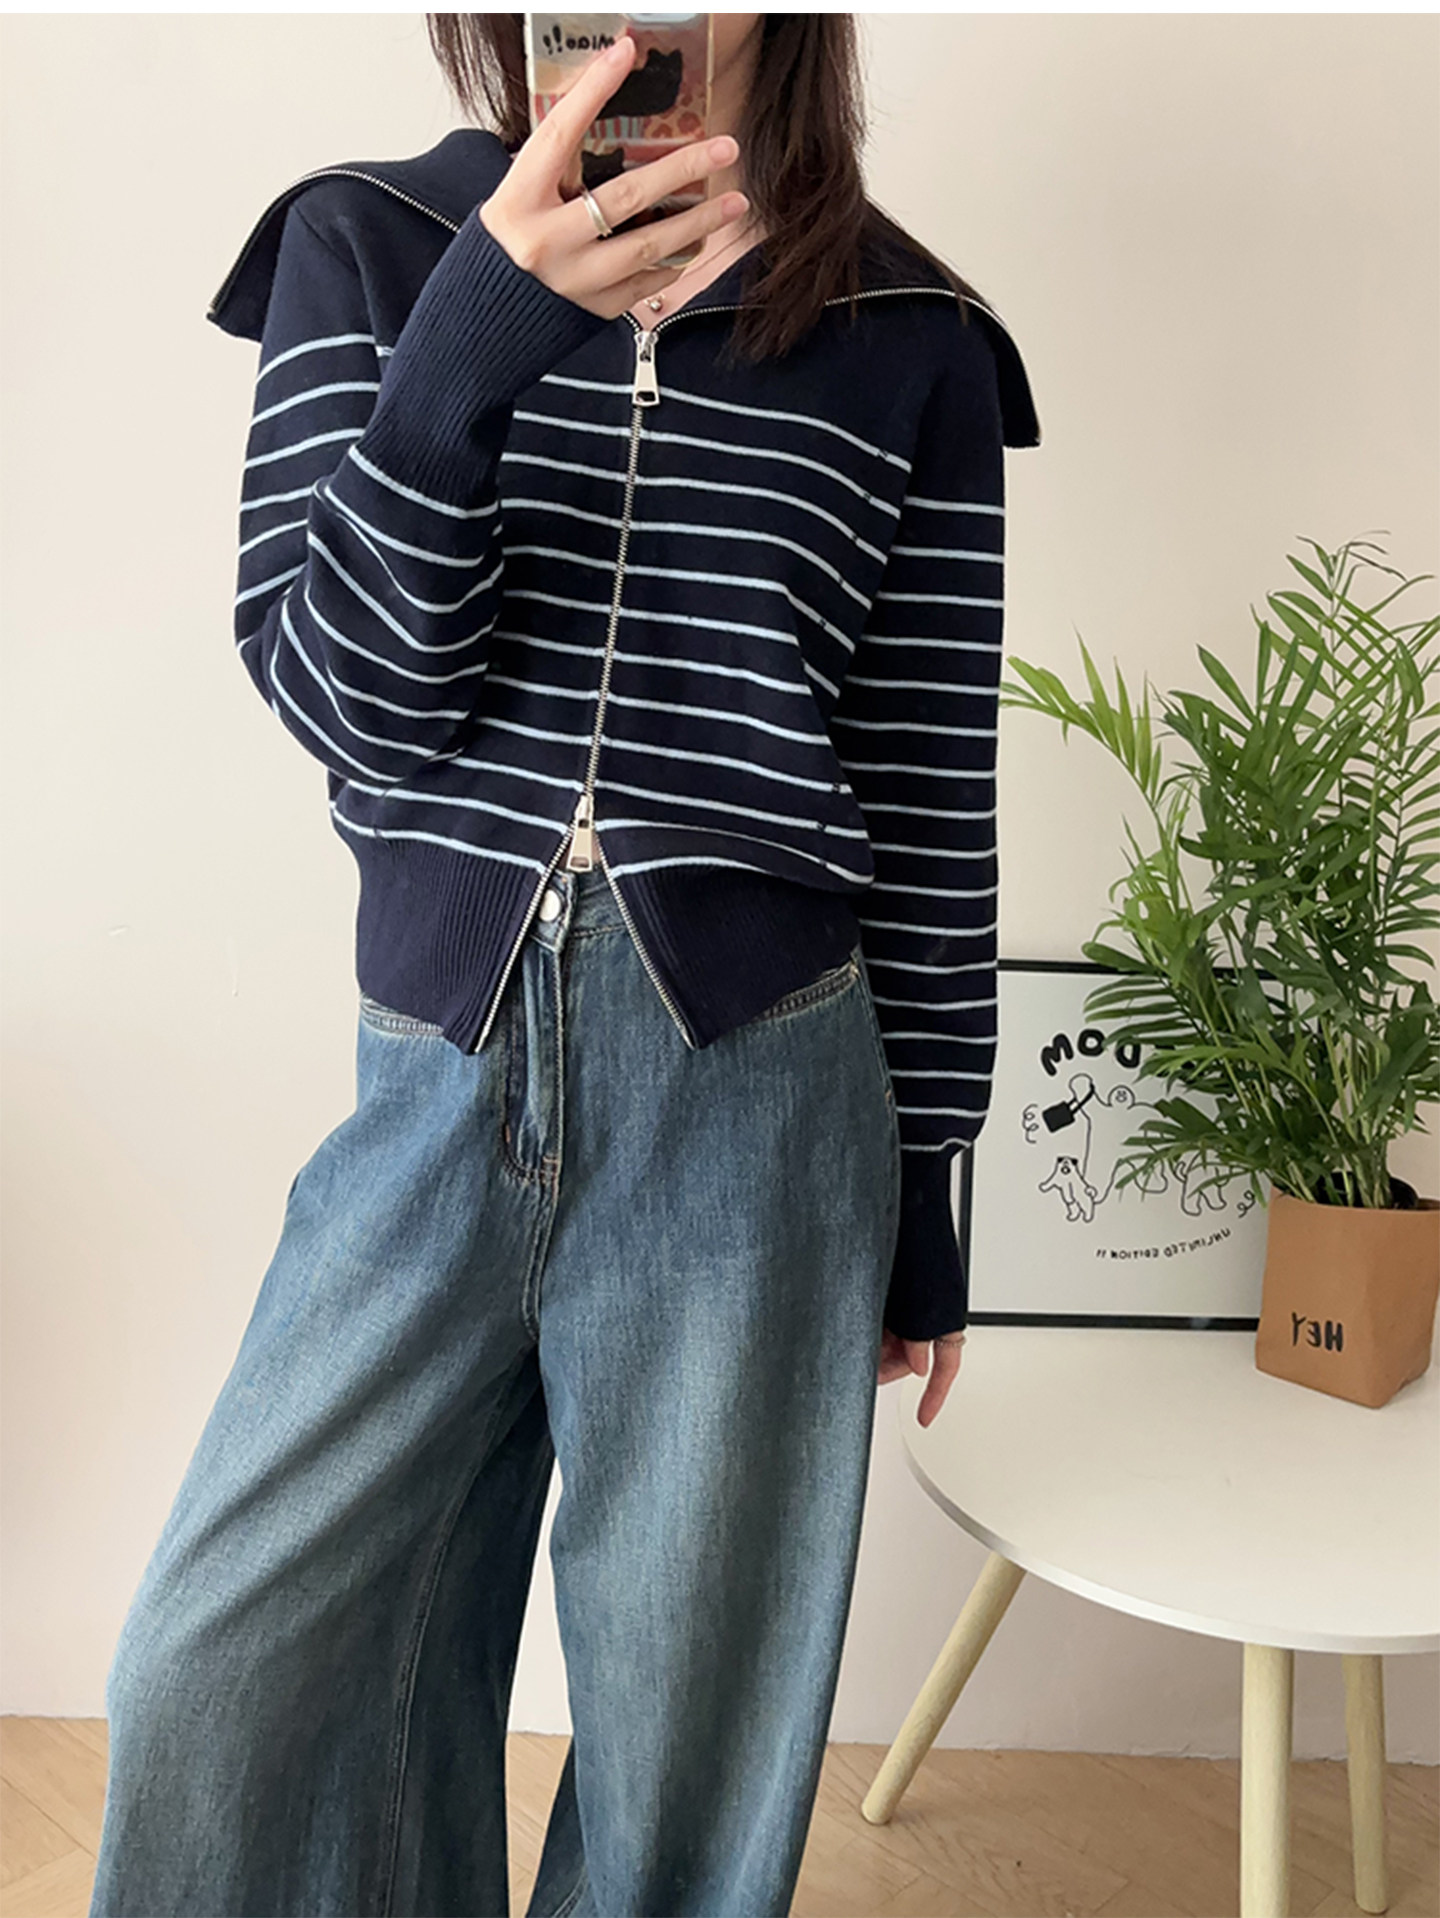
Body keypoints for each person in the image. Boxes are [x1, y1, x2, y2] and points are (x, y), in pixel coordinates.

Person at [87, 15, 1039, 1917]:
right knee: (225, 1678)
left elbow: (929, 783)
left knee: (692, 1751)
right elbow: (348, 704)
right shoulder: (365, 245)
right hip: (436, 1080)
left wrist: (928, 1185)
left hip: (761, 1100)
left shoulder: (912, 330)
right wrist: (476, 333)